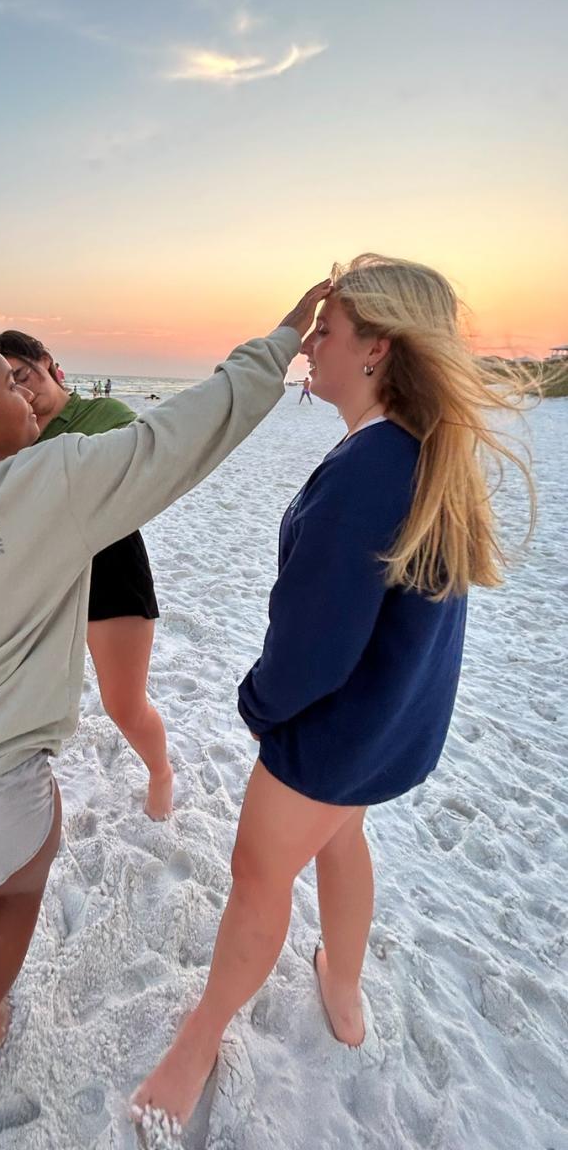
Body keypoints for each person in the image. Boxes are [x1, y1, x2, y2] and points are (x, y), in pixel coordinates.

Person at [0, 281, 329, 1150]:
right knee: (22, 880)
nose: (25, 397)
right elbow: (186, 431)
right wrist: (285, 335)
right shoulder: (49, 481)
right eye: (7, 386)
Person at [132, 254, 536, 1138]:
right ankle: (341, 986)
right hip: (394, 718)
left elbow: (313, 646)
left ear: (375, 348)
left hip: (333, 729)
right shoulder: (421, 450)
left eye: (326, 330)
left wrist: (257, 704)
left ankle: (200, 1038)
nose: (308, 345)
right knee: (342, 834)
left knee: (257, 875)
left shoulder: (371, 467)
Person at [0, 329, 168, 818]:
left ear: (47, 362)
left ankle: (160, 772)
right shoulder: (6, 434)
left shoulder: (105, 415)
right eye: (9, 385)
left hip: (110, 566)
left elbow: (145, 476)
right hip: (37, 576)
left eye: (24, 376)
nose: (23, 393)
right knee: (22, 700)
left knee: (123, 704)